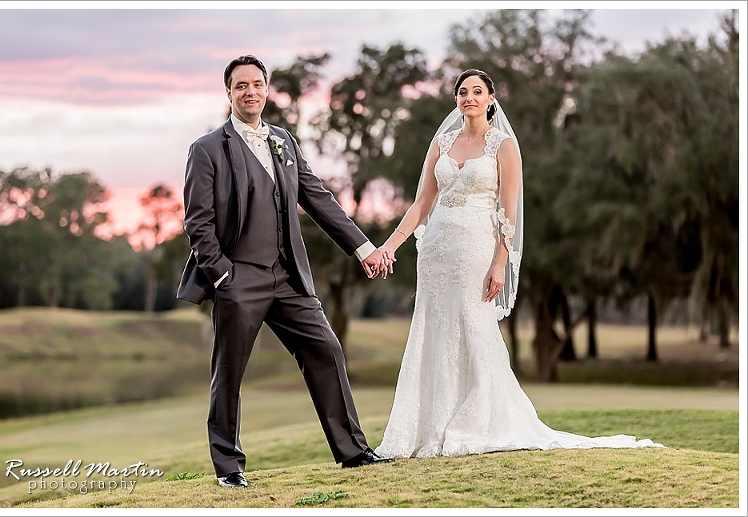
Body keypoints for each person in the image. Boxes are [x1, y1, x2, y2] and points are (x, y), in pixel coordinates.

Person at [373, 69, 664, 459]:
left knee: (474, 327)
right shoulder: (441, 143)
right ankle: (429, 427)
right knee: (433, 327)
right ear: (456, 99)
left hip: (476, 249)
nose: (469, 98)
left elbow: (507, 212)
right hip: (436, 251)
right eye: (462, 92)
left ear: (491, 98)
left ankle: (478, 421)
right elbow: (421, 204)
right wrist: (389, 246)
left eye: (477, 91)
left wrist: (500, 263)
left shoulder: (503, 146)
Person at [176, 55, 394, 488]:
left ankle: (352, 451)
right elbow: (197, 223)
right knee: (230, 373)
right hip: (239, 279)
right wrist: (223, 276)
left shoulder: (284, 141)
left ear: (266, 89)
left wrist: (364, 248)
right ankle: (229, 468)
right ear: (229, 93)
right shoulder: (206, 150)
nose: (250, 91)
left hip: (289, 276)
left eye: (257, 84)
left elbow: (318, 198)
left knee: (326, 349)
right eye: (241, 86)